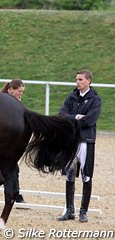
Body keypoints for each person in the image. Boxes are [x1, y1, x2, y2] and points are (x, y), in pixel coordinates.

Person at [58, 70, 101, 223]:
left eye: (81, 79)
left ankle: (83, 211)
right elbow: (61, 115)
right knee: (69, 175)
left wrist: (71, 119)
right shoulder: (71, 97)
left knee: (86, 176)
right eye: (77, 79)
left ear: (88, 81)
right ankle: (69, 210)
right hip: (71, 141)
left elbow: (90, 120)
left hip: (86, 141)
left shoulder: (95, 99)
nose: (77, 82)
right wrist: (76, 117)